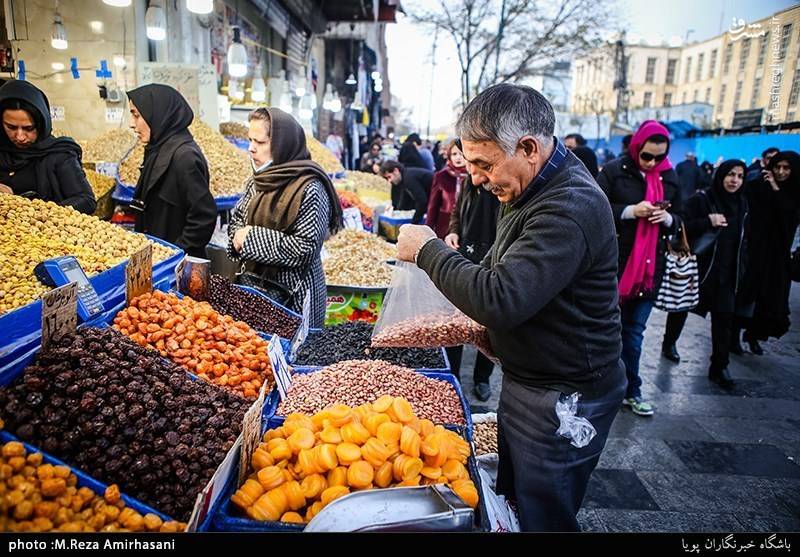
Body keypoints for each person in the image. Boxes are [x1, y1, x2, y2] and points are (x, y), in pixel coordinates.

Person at [395, 84, 625, 531]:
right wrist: (493, 333)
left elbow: (501, 297)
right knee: (516, 502)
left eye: (484, 164)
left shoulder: (568, 205)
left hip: (565, 394)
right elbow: (511, 273)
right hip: (531, 376)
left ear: (528, 148)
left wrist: (429, 249)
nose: (477, 179)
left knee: (544, 514)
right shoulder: (528, 187)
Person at [227, 108, 343, 327]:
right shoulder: (258, 182)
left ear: (282, 145)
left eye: (260, 142)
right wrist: (240, 236)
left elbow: (305, 248)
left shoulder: (310, 188)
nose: (251, 149)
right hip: (254, 294)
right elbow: (235, 229)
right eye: (250, 140)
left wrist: (250, 237)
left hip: (294, 298)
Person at [596, 120, 681, 417]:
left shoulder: (670, 175)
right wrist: (632, 211)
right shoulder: (615, 171)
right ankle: (604, 388)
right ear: (636, 149)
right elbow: (595, 206)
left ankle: (631, 390)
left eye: (660, 157)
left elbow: (682, 216)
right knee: (607, 331)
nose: (653, 163)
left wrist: (668, 220)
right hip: (614, 266)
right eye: (647, 156)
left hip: (649, 270)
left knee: (634, 333)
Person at [661, 161, 750, 388]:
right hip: (699, 270)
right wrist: (707, 221)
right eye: (730, 175)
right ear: (720, 175)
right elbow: (681, 226)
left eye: (740, 176)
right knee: (681, 308)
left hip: (727, 275)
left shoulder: (742, 204)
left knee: (724, 320)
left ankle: (720, 366)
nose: (734, 180)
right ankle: (669, 343)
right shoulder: (703, 200)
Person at [127, 84, 216, 257]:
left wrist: (174, 254)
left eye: (136, 115)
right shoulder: (157, 148)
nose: (132, 124)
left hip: (176, 268)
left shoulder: (184, 156)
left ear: (158, 115)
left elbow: (203, 217)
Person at [443, 166, 501, 402]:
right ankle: (452, 377)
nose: (474, 175)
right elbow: (457, 211)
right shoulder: (469, 182)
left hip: (494, 255)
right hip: (466, 250)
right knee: (457, 318)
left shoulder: (505, 185)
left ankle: (482, 378)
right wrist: (453, 232)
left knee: (488, 322)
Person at [0, 80, 95, 214]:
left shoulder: (59, 155)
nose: (20, 136)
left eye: (28, 128)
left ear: (41, 123)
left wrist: (35, 212)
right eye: (11, 127)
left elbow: (86, 200)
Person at [738, 151, 800, 354]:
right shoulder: (757, 187)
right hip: (755, 250)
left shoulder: (795, 191)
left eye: (786, 168)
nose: (781, 172)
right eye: (777, 167)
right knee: (747, 294)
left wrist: (775, 188)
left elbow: (789, 215)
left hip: (778, 256)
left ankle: (754, 335)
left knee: (769, 298)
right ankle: (733, 336)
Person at [425, 139, 468, 239]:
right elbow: (433, 206)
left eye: (461, 154)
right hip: (444, 226)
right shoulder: (441, 176)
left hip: (467, 226)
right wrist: (428, 231)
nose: (458, 157)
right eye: (454, 154)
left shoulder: (474, 177)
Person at [380, 159, 431, 224]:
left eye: (389, 177)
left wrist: (414, 223)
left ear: (396, 171)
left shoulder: (408, 178)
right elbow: (402, 199)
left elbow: (421, 201)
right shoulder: (404, 177)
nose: (389, 181)